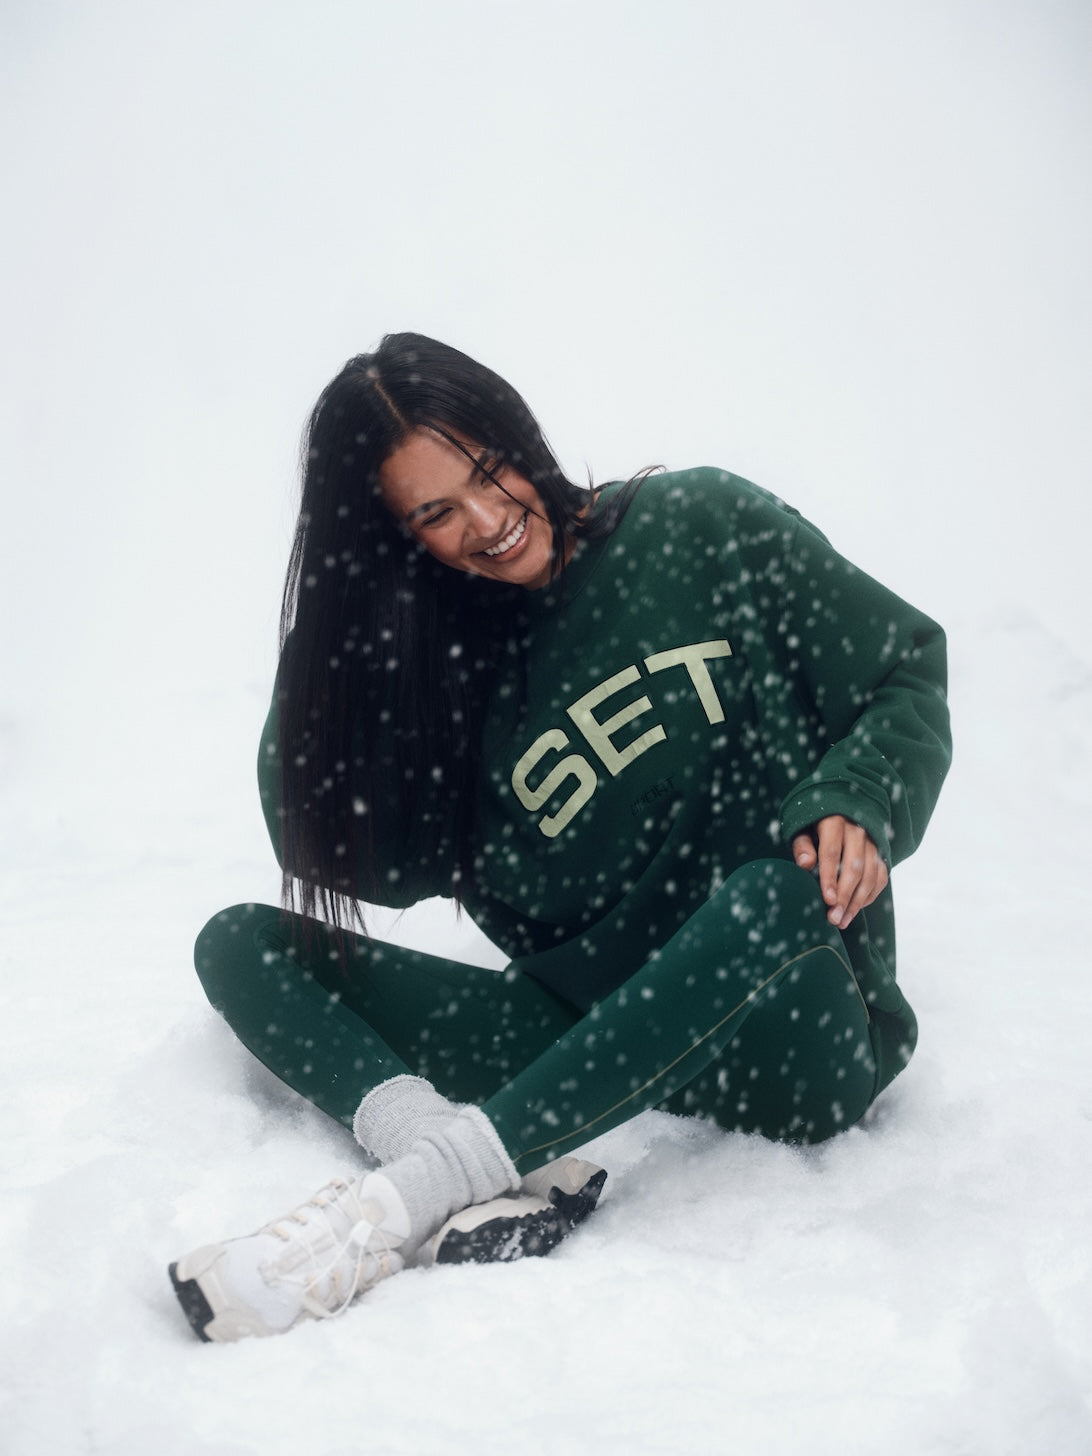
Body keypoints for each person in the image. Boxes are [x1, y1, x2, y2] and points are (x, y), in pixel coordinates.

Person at [169, 332, 951, 1343]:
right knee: (239, 941)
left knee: (773, 890)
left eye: (490, 471)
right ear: (397, 539)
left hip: (790, 1035)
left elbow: (902, 668)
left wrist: (859, 796)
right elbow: (335, 845)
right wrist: (338, 616)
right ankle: (466, 1146)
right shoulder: (444, 683)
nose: (490, 521)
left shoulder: (699, 526)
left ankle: (407, 1200)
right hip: (583, 1041)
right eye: (436, 513)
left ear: (517, 433)